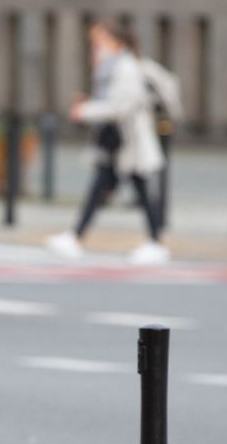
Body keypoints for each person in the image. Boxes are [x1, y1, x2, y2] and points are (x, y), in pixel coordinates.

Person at [46, 20, 168, 264]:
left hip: (128, 142)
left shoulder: (126, 68)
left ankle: (154, 244)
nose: (96, 47)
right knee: (104, 187)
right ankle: (77, 236)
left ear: (117, 43)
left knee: (138, 189)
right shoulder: (111, 68)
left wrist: (86, 110)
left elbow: (119, 108)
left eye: (100, 41)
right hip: (118, 142)